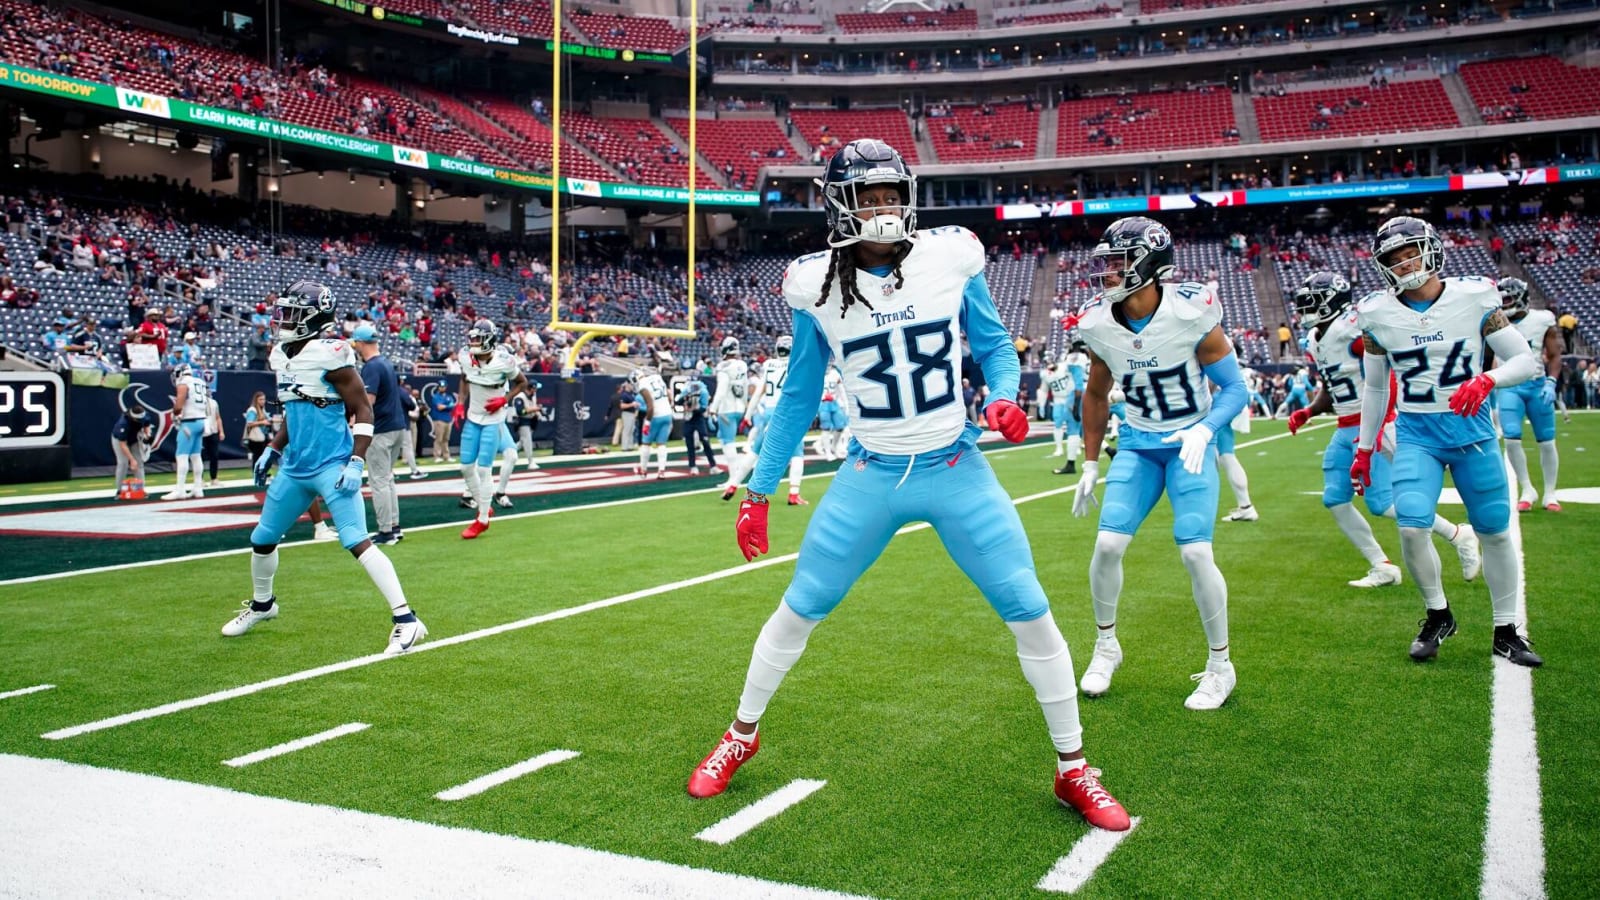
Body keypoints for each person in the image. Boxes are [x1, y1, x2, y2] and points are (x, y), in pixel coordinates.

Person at [685, 138, 1129, 831]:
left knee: (1030, 608)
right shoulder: (817, 287)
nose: (885, 209)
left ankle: (1074, 768)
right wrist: (760, 487)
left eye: (893, 195)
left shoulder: (948, 259)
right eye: (870, 196)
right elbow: (799, 396)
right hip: (872, 473)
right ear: (841, 204)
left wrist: (1006, 395)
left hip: (955, 467)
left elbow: (990, 345)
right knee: (799, 607)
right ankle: (742, 733)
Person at [1068, 215, 1246, 711]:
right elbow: (1096, 393)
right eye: (1106, 262)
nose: (1108, 271)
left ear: (1149, 264)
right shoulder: (1100, 322)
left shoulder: (1191, 312)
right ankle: (1107, 646)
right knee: (1106, 545)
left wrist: (1206, 429)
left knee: (1195, 553)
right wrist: (1088, 463)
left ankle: (1220, 666)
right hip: (1140, 444)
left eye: (1119, 261)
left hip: (1190, 442)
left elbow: (1234, 388)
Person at [1351, 217, 1541, 666]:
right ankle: (1438, 615)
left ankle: (1506, 630)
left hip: (1472, 431)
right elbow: (1376, 388)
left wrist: (1488, 379)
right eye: (1395, 259)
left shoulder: (1473, 297)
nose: (1405, 263)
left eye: (1411, 252)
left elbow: (1524, 361)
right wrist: (1363, 449)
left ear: (1432, 249)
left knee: (1495, 531)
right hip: (1418, 433)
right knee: (1412, 526)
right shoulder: (1377, 312)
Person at [225, 281, 425, 655]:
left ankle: (407, 621)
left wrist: (355, 460)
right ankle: (263, 604)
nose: (283, 318)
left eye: (292, 313)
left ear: (314, 317)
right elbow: (294, 409)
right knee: (262, 538)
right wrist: (273, 447)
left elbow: (363, 410)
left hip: (332, 464)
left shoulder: (333, 353)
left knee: (356, 540)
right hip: (296, 466)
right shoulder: (281, 353)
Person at [1287, 275, 1480, 588]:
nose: (1305, 310)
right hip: (1345, 426)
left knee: (1383, 503)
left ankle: (1459, 534)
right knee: (1335, 498)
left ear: (1332, 301)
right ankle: (1382, 565)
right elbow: (1333, 384)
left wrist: (1375, 429)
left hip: (1372, 425)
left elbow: (1383, 376)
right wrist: (1309, 411)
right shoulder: (1316, 338)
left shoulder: (1352, 329)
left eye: (1312, 302)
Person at [455, 319, 529, 539]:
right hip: (473, 417)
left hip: (493, 420)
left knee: (483, 470)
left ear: (488, 339)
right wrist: (460, 402)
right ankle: (484, 506)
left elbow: (522, 383)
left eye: (478, 338)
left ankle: (482, 519)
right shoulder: (465, 357)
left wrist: (504, 400)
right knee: (466, 468)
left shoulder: (504, 361)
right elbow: (464, 378)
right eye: (472, 338)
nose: (473, 342)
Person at [1492, 278, 1562, 512]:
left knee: (1546, 440)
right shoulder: (1494, 322)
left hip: (1536, 384)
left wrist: (1551, 382)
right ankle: (1527, 488)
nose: (1505, 304)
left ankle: (1550, 493)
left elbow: (1553, 355)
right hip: (1509, 385)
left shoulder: (1541, 319)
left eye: (1509, 299)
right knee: (1511, 438)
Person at [720, 335, 806, 505]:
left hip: (768, 412)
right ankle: (794, 494)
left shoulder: (768, 365)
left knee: (755, 451)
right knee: (797, 453)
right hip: (787, 413)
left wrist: (747, 415)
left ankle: (732, 485)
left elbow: (759, 392)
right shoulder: (796, 365)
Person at [351, 325, 408, 545]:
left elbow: (368, 402)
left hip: (381, 430)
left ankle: (386, 530)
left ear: (361, 343)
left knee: (379, 482)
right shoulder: (386, 363)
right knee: (387, 479)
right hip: (396, 427)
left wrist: (355, 424)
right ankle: (394, 526)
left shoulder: (372, 367)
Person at [165, 363, 210, 500]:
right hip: (202, 421)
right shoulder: (200, 382)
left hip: (189, 423)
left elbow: (178, 405)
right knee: (196, 455)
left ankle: (180, 489)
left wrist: (175, 413)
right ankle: (198, 488)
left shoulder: (184, 383)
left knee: (182, 456)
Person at [629, 366, 675, 479]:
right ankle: (661, 471)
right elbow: (669, 395)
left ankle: (643, 470)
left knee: (646, 444)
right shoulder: (657, 377)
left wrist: (647, 422)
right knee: (661, 444)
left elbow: (650, 407)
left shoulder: (642, 384)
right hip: (667, 414)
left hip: (656, 415)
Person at [710, 336, 750, 464]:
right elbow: (745, 386)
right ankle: (734, 471)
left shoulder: (724, 366)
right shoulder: (742, 365)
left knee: (728, 442)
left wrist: (713, 408)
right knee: (722, 437)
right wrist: (745, 406)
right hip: (739, 407)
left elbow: (721, 390)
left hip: (726, 408)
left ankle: (734, 476)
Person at [1041, 351, 1078, 472]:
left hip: (1069, 398)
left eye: (1050, 362)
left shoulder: (1064, 367)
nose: (1049, 365)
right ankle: (1059, 448)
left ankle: (1075, 446)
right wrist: (1041, 404)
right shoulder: (1045, 374)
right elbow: (1044, 390)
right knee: (1057, 424)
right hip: (1057, 400)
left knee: (1074, 425)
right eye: (1047, 363)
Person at [111, 399, 152, 500]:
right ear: (133, 418)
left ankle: (140, 489)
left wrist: (147, 435)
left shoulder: (144, 415)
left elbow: (147, 425)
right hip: (120, 440)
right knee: (123, 463)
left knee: (139, 463)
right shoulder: (123, 424)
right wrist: (131, 460)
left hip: (134, 439)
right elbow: (123, 445)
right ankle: (119, 490)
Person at [677, 374, 717, 475]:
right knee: (690, 444)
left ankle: (713, 465)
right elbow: (678, 401)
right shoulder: (686, 390)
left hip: (699, 418)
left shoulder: (703, 391)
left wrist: (694, 409)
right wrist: (685, 399)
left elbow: (703, 407)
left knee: (705, 441)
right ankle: (692, 466)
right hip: (688, 419)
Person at [813, 363, 848, 460]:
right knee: (826, 428)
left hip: (834, 402)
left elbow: (841, 390)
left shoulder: (835, 374)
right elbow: (812, 391)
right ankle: (828, 452)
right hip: (823, 403)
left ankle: (834, 447)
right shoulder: (816, 373)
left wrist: (845, 405)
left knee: (840, 427)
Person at [242, 391, 276, 467]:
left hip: (264, 436)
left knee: (264, 456)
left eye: (263, 399)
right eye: (260, 399)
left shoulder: (262, 409)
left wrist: (278, 420)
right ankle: (256, 473)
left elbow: (269, 419)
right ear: (256, 400)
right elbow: (249, 423)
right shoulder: (252, 410)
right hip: (256, 438)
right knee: (257, 456)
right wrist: (262, 422)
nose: (262, 401)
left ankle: (264, 473)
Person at [201, 387, 224, 488]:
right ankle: (200, 479)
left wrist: (221, 431)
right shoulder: (197, 403)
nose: (207, 392)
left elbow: (218, 417)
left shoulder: (214, 402)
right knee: (200, 457)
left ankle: (214, 478)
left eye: (208, 390)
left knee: (214, 456)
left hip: (213, 431)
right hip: (201, 432)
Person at [428, 380, 455, 462]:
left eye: (443, 387)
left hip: (448, 419)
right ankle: (436, 456)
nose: (442, 388)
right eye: (440, 386)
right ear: (438, 387)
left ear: (446, 387)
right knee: (438, 439)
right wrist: (448, 405)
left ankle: (446, 456)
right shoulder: (436, 397)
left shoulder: (449, 396)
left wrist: (445, 406)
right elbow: (439, 407)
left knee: (446, 439)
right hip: (439, 420)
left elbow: (452, 406)